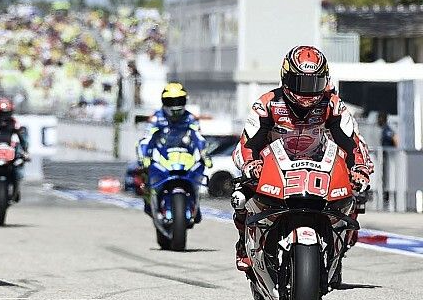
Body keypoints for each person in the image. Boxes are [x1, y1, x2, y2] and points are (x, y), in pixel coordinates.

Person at [231, 45, 373, 271]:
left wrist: (359, 168)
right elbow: (249, 143)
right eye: (301, 84)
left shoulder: (332, 104)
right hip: (273, 167)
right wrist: (251, 164)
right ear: (286, 78)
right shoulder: (267, 103)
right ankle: (243, 243)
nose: (308, 93)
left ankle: (339, 245)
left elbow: (350, 142)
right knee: (239, 197)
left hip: (318, 166)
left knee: (356, 192)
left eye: (314, 84)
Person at [137, 83, 212, 215]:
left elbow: (199, 137)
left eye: (179, 100)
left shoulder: (190, 118)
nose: (175, 105)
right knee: (145, 171)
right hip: (162, 157)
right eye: (171, 101)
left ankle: (195, 203)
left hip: (184, 157)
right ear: (164, 102)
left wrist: (204, 153)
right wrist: (144, 156)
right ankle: (149, 200)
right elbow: (147, 139)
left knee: (199, 170)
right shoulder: (157, 118)